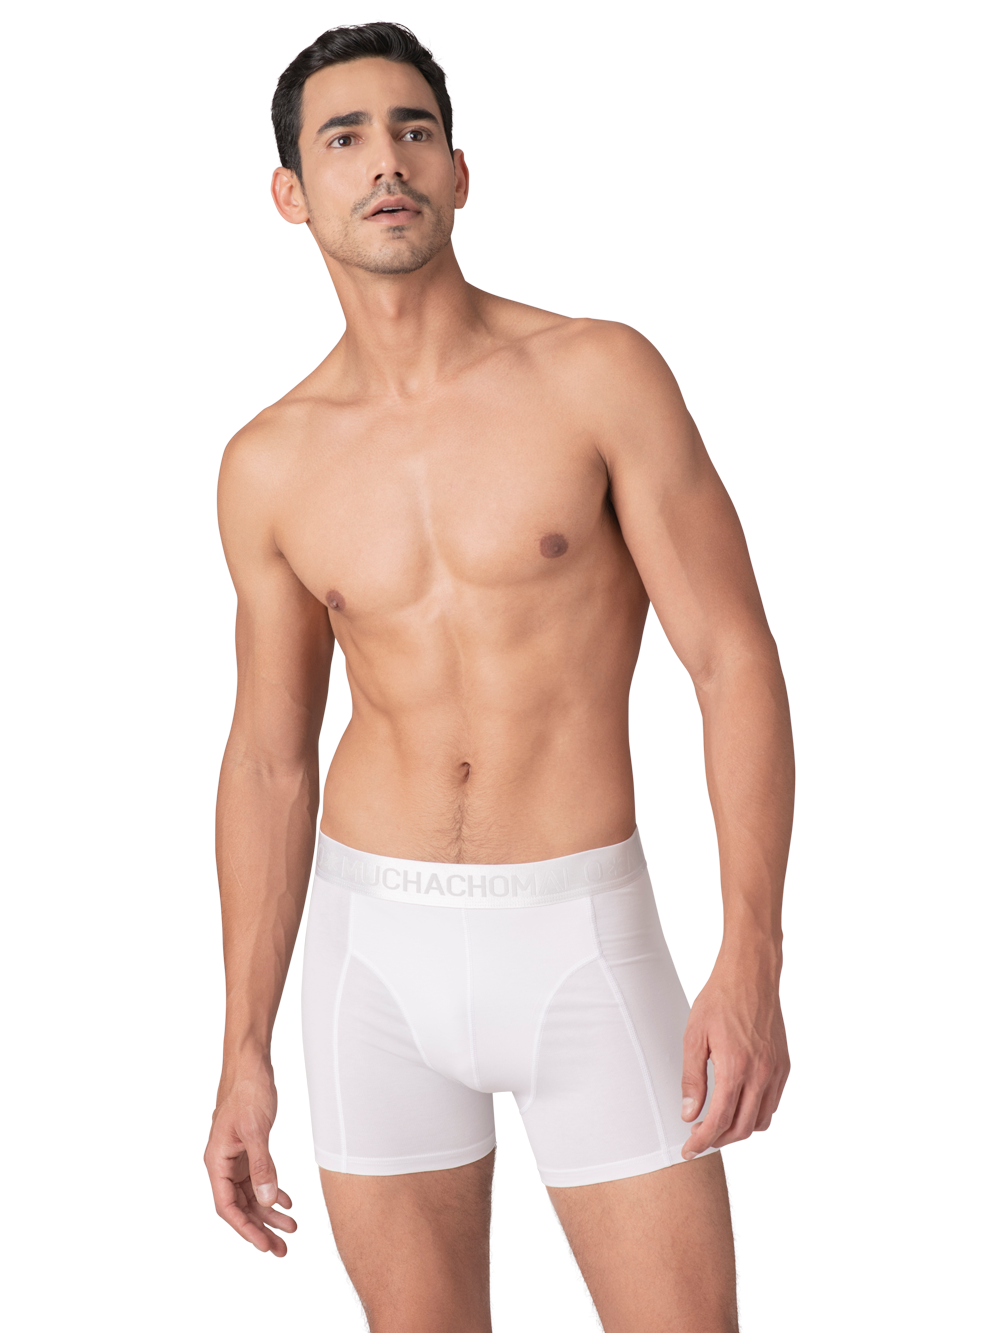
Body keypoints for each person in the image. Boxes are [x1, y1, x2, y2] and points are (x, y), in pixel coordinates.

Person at [206, 21, 793, 1333]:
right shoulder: (270, 462)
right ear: (292, 195)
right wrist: (242, 1047)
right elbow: (270, 758)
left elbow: (733, 659)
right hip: (371, 959)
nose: (386, 160)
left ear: (460, 173)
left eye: (413, 129)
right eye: (345, 138)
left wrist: (753, 953)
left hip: (585, 940)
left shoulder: (597, 376)